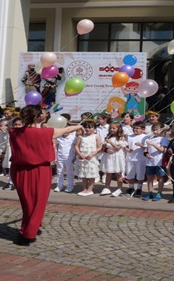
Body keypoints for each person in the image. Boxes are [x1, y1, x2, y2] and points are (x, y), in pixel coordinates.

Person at [6, 105, 83, 246]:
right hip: (40, 170)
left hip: (19, 171)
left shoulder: (13, 131)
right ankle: (27, 234)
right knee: (38, 203)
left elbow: (8, 125)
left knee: (27, 203)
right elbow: (66, 129)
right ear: (37, 117)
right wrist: (79, 126)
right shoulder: (46, 132)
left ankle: (32, 227)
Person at [74, 118, 102, 197]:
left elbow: (99, 147)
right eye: (86, 127)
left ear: (94, 128)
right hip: (82, 158)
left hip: (92, 158)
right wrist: (79, 154)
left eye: (90, 127)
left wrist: (92, 154)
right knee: (84, 174)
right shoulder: (81, 137)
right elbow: (76, 146)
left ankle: (90, 189)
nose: (88, 129)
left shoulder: (96, 136)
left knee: (91, 174)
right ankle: (84, 188)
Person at [142, 122, 168, 201]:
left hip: (159, 162)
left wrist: (153, 144)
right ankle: (150, 192)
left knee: (160, 178)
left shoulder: (163, 139)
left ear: (162, 130)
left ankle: (159, 193)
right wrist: (146, 154)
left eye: (157, 130)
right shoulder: (148, 139)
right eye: (154, 130)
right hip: (149, 162)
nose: (155, 131)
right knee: (149, 178)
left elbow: (162, 149)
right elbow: (145, 150)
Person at [100, 122, 128, 197]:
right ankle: (107, 188)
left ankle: (119, 189)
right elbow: (103, 148)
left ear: (118, 129)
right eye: (110, 128)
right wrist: (106, 150)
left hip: (117, 157)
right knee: (108, 173)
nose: (111, 130)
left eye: (113, 128)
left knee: (118, 173)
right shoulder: (108, 137)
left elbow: (118, 148)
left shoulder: (122, 137)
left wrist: (111, 142)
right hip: (109, 157)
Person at [54, 114, 77, 193]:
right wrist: (55, 157)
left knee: (69, 172)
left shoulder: (73, 137)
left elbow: (76, 147)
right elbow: (56, 147)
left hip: (69, 157)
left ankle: (70, 186)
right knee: (60, 171)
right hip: (60, 157)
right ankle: (59, 185)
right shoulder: (59, 137)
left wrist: (75, 157)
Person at [124, 121, 147, 198]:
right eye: (134, 128)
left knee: (140, 174)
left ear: (143, 129)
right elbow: (124, 145)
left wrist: (141, 146)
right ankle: (131, 187)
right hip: (130, 158)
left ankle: (139, 188)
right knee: (130, 174)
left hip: (140, 158)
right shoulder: (129, 136)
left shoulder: (145, 137)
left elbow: (147, 148)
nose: (135, 130)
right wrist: (127, 149)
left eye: (137, 128)